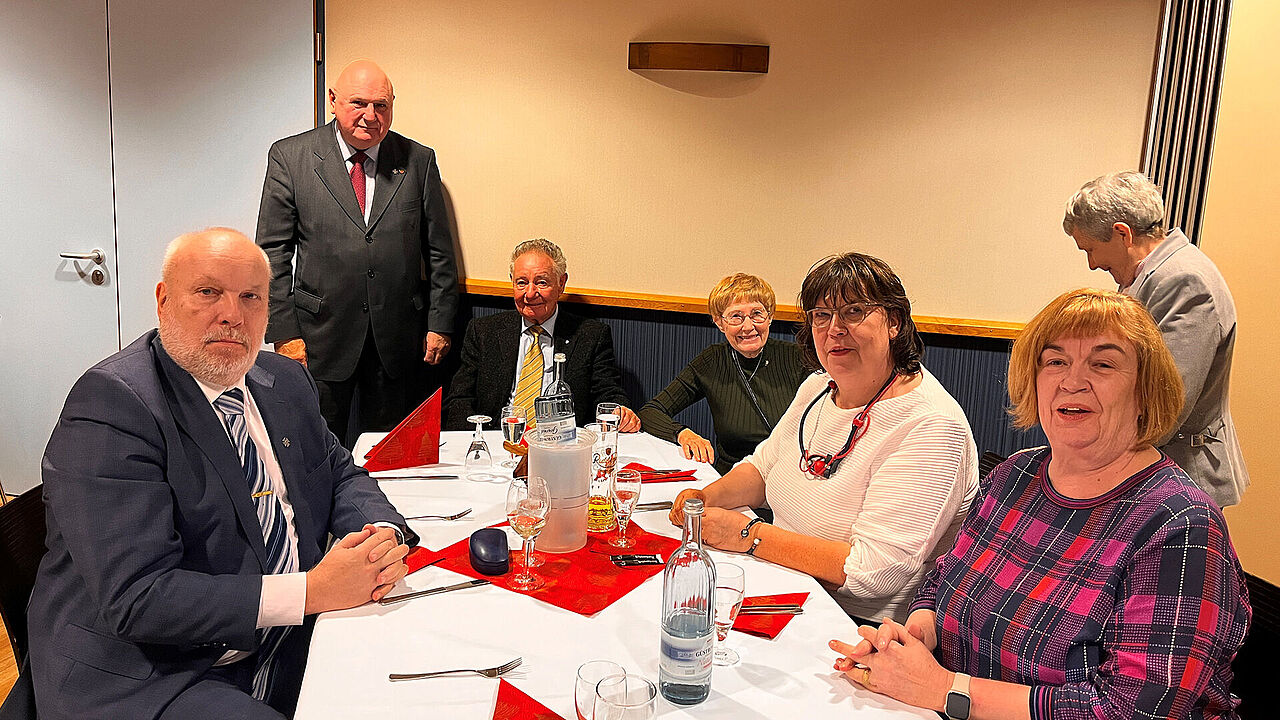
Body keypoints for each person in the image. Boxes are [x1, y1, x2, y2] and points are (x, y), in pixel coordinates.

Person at [28, 229, 414, 720]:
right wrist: (312, 590)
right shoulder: (114, 405)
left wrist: (379, 536)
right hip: (156, 672)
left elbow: (338, 472)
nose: (233, 314)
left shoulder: (284, 380)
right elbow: (138, 598)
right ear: (164, 301)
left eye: (251, 297)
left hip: (285, 636)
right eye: (208, 292)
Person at [830, 288, 1250, 720]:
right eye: (1055, 362)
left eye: (1103, 364)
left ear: (1145, 391)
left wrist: (944, 690)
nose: (1072, 382)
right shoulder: (1015, 474)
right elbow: (941, 581)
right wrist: (912, 641)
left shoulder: (1181, 525)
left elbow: (1135, 710)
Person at [669, 253, 978, 623]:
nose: (834, 329)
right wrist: (705, 499)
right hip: (781, 587)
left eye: (853, 311)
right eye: (821, 315)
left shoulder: (931, 425)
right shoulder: (818, 386)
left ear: (894, 321)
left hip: (854, 625)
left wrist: (747, 535)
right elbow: (763, 469)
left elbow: (872, 572)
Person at [255, 59, 459, 448]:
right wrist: (284, 333)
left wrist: (440, 323)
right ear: (333, 100)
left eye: (381, 105)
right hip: (319, 338)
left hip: (397, 340)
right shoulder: (291, 157)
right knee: (315, 448)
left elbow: (439, 252)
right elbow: (271, 254)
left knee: (389, 455)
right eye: (358, 103)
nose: (370, 116)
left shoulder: (418, 160)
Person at [1063, 171, 1247, 506]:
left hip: (1179, 479)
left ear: (1122, 234)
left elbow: (1166, 405)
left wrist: (1088, 457)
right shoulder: (1148, 276)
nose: (1092, 264)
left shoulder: (1184, 280)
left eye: (1091, 249)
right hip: (1149, 470)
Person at [445, 238, 640, 431]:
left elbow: (608, 393)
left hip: (561, 441)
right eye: (521, 283)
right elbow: (460, 398)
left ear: (561, 283)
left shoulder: (591, 336)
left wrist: (620, 412)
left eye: (541, 282)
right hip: (497, 437)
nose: (530, 293)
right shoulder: (484, 331)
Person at [639, 273, 809, 474]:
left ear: (770, 317)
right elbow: (650, 411)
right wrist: (683, 434)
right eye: (736, 316)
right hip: (732, 475)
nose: (748, 326)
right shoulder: (712, 361)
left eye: (757, 314)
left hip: (790, 475)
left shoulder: (798, 358)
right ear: (720, 323)